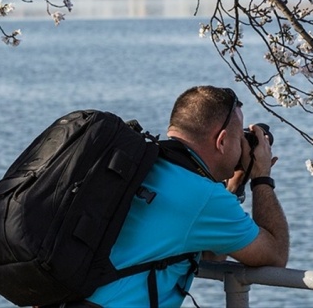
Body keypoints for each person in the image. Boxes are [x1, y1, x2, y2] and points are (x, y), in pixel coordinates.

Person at [85, 85, 289, 307]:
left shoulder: (143, 165)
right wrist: (262, 179)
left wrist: (235, 186)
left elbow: (213, 253)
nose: (242, 145)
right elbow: (275, 256)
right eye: (239, 136)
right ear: (221, 141)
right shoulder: (204, 196)